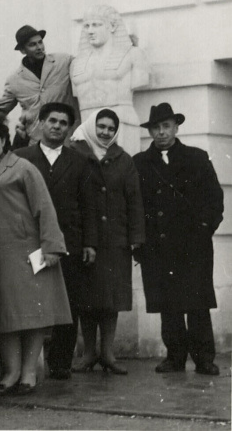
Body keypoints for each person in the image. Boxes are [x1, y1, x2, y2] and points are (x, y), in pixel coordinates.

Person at [0, 112, 71, 396]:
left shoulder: (22, 168)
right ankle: (11, 372)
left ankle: (28, 373)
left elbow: (44, 207)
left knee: (32, 314)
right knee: (4, 315)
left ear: (3, 140)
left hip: (27, 252)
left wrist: (52, 246)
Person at [133, 103, 224, 376]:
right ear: (150, 130)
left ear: (176, 127)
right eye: (156, 128)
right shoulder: (139, 163)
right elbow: (134, 203)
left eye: (166, 126)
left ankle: (204, 359)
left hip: (193, 245)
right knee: (168, 304)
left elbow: (214, 198)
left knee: (197, 303)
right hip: (157, 246)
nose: (161, 133)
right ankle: (174, 357)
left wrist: (204, 228)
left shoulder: (196, 157)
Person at [15, 102, 98, 380]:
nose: (57, 126)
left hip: (68, 242)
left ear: (69, 128)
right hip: (29, 241)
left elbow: (89, 206)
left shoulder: (80, 161)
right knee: (29, 302)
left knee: (68, 303)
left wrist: (89, 243)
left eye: (63, 123)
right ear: (40, 123)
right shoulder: (20, 158)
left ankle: (61, 362)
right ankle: (27, 364)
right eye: (52, 120)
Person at [67, 108, 144, 375]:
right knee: (87, 299)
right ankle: (88, 353)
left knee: (111, 298)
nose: (105, 132)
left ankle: (108, 354)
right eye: (101, 126)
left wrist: (135, 238)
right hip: (86, 239)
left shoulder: (124, 160)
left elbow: (134, 200)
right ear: (92, 125)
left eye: (111, 128)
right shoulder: (76, 154)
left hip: (116, 240)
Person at [71, 5, 150, 154]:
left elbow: (141, 80)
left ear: (112, 26)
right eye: (87, 26)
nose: (90, 31)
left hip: (122, 126)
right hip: (87, 128)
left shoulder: (133, 55)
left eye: (96, 25)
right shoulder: (76, 63)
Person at [0, 25, 74, 146]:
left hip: (65, 139)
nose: (39, 47)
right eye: (32, 45)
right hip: (36, 142)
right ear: (22, 50)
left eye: (40, 42)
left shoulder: (63, 61)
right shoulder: (14, 80)